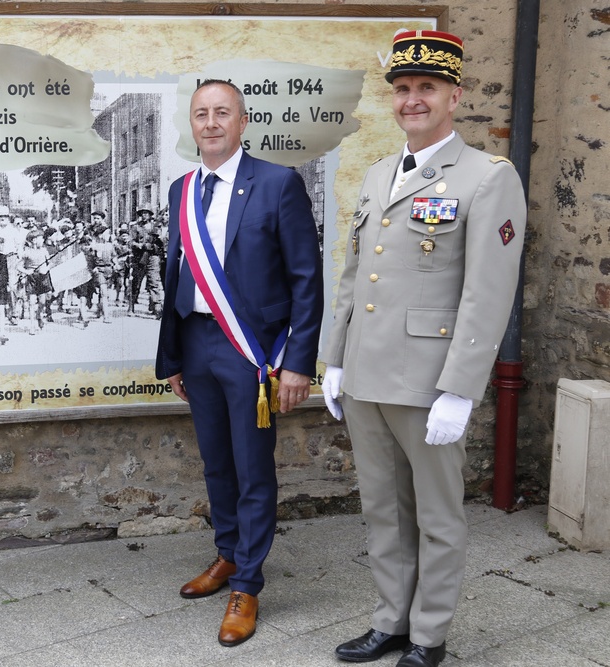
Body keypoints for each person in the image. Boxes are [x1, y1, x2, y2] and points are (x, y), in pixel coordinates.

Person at [321, 31, 527, 667]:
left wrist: (461, 387)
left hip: (428, 378)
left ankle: (429, 635)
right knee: (382, 509)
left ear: (454, 96)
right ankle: (390, 621)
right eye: (404, 90)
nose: (413, 100)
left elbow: (488, 293)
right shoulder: (382, 173)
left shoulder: (488, 177)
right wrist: (335, 357)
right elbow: (355, 274)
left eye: (427, 89)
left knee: (438, 517)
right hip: (365, 375)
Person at [155, 79, 323, 647]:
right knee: (216, 463)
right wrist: (174, 355)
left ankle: (248, 584)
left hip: (251, 352)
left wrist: (298, 364)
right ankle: (227, 555)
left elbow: (307, 279)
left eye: (221, 113)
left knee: (253, 469)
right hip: (198, 347)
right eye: (201, 114)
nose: (210, 123)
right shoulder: (182, 189)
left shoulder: (277, 183)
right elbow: (175, 277)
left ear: (242, 121)